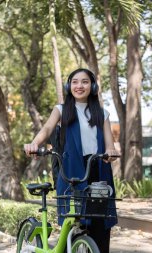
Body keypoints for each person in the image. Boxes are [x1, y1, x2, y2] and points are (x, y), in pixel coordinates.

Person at [24, 68, 119, 252]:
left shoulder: (102, 113)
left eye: (84, 81)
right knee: (74, 224)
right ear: (69, 86)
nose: (79, 86)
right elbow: (47, 129)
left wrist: (111, 152)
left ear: (92, 86)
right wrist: (34, 143)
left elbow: (110, 144)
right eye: (75, 82)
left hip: (98, 169)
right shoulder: (61, 110)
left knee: (100, 226)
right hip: (72, 171)